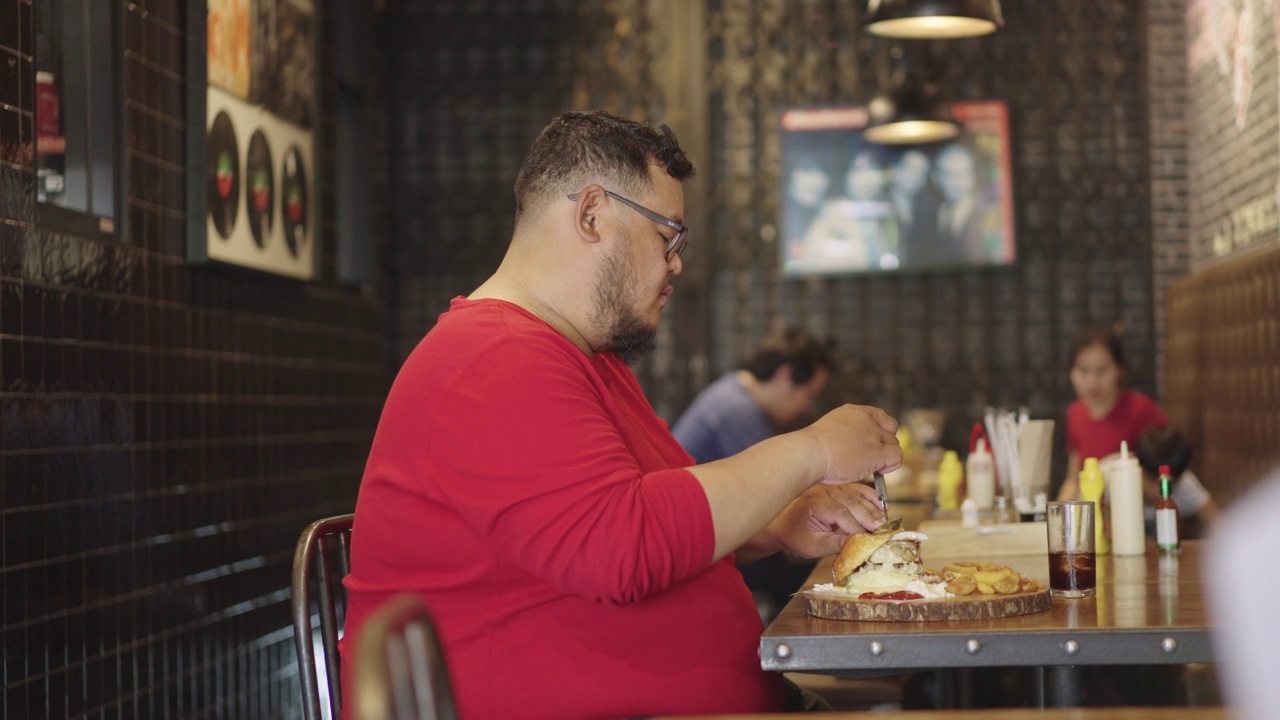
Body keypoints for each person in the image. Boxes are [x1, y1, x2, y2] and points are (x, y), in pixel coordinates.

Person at [341, 110, 903, 719]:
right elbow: (621, 548)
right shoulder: (491, 357)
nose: (677, 264)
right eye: (669, 236)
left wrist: (778, 523)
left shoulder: (583, 358)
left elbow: (669, 524)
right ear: (591, 215)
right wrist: (812, 450)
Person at [671, 328, 837, 620]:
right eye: (808, 394)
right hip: (692, 550)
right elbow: (775, 491)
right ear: (785, 376)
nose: (807, 406)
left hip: (707, 535)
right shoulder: (738, 410)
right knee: (811, 576)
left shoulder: (734, 392)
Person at [1056, 328, 1168, 501]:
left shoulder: (1141, 410)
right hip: (1094, 518)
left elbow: (1165, 481)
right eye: (1083, 371)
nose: (1092, 381)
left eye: (1102, 370)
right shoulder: (1075, 413)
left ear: (1119, 369)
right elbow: (1073, 480)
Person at [801, 145, 900, 271]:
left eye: (872, 168)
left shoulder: (885, 216)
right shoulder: (830, 220)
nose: (866, 178)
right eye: (858, 169)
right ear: (845, 175)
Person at [1132, 425, 1220, 538]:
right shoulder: (1110, 479)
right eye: (1152, 480)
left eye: (1171, 484)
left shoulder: (1185, 483)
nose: (1158, 491)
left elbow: (1220, 525)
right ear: (1137, 466)